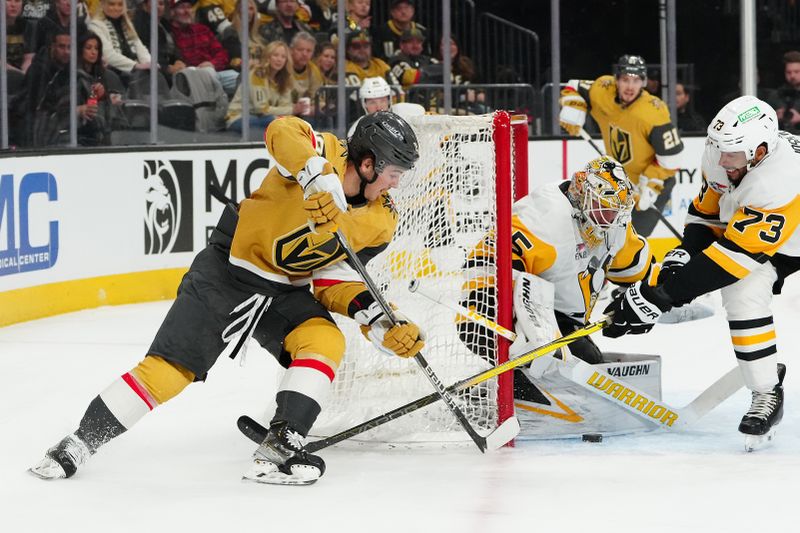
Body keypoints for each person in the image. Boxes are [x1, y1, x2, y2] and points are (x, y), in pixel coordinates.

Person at [29, 110, 422, 485]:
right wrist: (314, 177)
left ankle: (280, 445)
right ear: (368, 164)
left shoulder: (380, 221)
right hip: (228, 272)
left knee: (325, 340)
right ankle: (78, 443)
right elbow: (282, 130)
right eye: (393, 173)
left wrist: (380, 319)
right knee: (169, 371)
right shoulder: (326, 152)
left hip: (284, 291)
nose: (395, 184)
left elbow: (332, 278)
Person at [603, 95, 795, 451]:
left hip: (787, 233)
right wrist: (683, 255)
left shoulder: (780, 180)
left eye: (731, 154)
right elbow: (708, 216)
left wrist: (658, 296)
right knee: (743, 295)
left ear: (761, 150)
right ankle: (767, 389)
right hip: (773, 238)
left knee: (738, 282)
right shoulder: (724, 154)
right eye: (719, 149)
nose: (722, 161)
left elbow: (733, 259)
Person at [459, 155, 652, 392]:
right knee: (539, 363)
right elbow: (485, 262)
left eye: (616, 212)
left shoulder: (613, 224)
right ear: (583, 195)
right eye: (605, 210)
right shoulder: (543, 218)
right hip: (490, 308)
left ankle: (516, 387)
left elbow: (636, 267)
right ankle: (501, 392)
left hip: (555, 313)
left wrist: (656, 295)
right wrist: (518, 324)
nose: (611, 220)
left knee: (586, 362)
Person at [559, 54, 687, 238]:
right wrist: (573, 107)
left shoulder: (653, 111)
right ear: (616, 80)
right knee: (604, 231)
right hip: (619, 179)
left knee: (632, 237)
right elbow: (574, 86)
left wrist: (652, 183)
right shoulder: (603, 89)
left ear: (643, 83)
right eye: (625, 79)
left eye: (636, 80)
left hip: (653, 182)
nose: (630, 86)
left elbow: (672, 158)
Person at [225, 40, 299, 133]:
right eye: (275, 55)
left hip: (263, 118)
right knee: (273, 121)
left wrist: (291, 111)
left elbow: (285, 106)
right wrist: (292, 110)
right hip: (238, 118)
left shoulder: (284, 79)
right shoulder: (257, 74)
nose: (279, 59)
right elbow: (262, 109)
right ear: (268, 57)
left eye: (283, 57)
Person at [169, 0, 239, 97]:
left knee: (243, 80)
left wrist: (212, 63)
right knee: (206, 75)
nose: (187, 11)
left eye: (189, 7)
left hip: (215, 73)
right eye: (182, 7)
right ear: (172, 12)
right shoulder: (168, 33)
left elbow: (222, 54)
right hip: (191, 78)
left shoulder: (202, 29)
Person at [88, 0, 153, 85]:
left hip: (137, 74)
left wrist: (149, 63)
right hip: (114, 75)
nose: (116, 8)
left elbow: (140, 47)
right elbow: (109, 55)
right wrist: (135, 65)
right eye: (112, 4)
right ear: (102, 5)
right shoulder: (95, 25)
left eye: (120, 4)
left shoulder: (127, 24)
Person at [290, 31, 323, 107]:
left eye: (309, 51)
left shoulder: (314, 70)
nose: (304, 54)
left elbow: (317, 98)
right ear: (291, 50)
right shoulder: (283, 67)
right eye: (300, 50)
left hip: (304, 110)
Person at [771, 50, 800, 134]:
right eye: (789, 72)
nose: (792, 76)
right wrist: (774, 116)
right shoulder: (777, 95)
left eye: (796, 72)